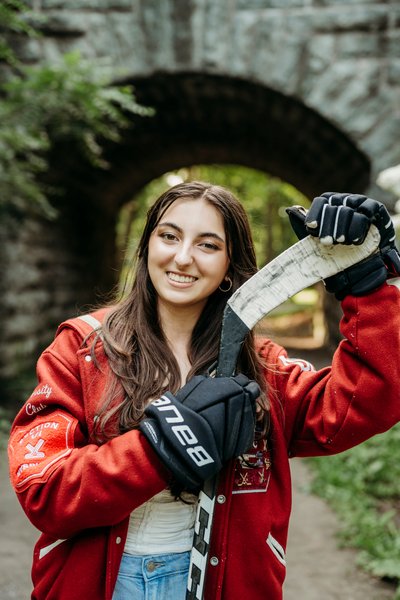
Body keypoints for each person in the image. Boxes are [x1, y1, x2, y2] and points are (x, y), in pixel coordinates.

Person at [7, 181, 400, 600]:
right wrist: (160, 448)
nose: (182, 257)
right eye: (169, 236)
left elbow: (367, 398)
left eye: (208, 245)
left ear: (231, 266)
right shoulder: (82, 349)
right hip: (95, 583)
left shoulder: (263, 369)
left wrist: (366, 287)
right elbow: (43, 488)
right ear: (146, 247)